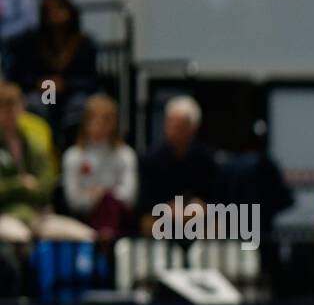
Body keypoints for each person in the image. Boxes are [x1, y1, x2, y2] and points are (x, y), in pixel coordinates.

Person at [0, 80, 95, 250]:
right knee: (20, 238)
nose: (10, 113)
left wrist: (29, 189)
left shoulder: (35, 142)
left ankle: (74, 276)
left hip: (39, 214)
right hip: (6, 214)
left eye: (13, 106)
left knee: (86, 236)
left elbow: (46, 186)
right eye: (4, 108)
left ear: (22, 107)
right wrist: (20, 185)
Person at [7, 0, 99, 148]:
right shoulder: (31, 41)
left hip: (71, 93)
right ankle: (44, 148)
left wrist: (66, 84)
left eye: (60, 9)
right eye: (50, 11)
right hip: (43, 92)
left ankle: (72, 148)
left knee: (80, 105)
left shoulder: (83, 43)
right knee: (35, 105)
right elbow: (18, 75)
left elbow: (91, 79)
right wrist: (38, 83)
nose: (56, 15)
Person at [137, 95, 221, 240]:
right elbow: (143, 200)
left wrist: (202, 206)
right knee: (147, 223)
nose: (174, 129)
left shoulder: (207, 158)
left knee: (218, 225)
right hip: (162, 214)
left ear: (193, 128)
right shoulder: (151, 158)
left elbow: (218, 196)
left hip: (197, 215)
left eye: (181, 126)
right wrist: (166, 207)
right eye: (171, 123)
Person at [62, 94, 137, 242]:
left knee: (109, 202)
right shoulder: (73, 156)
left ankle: (106, 241)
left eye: (106, 120)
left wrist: (102, 192)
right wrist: (92, 197)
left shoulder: (125, 154)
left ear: (114, 123)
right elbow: (73, 200)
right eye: (94, 119)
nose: (100, 124)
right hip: (85, 218)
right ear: (85, 122)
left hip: (119, 220)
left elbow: (129, 197)